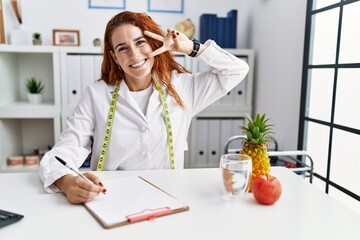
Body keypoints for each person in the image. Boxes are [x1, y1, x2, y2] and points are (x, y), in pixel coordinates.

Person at [39, 11, 249, 204]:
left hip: (169, 197)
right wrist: (67, 183)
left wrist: (191, 48)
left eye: (140, 42)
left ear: (152, 43)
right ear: (114, 56)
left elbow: (237, 70)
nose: (134, 54)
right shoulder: (97, 95)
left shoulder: (183, 88)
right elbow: (63, 153)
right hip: (111, 199)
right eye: (122, 48)